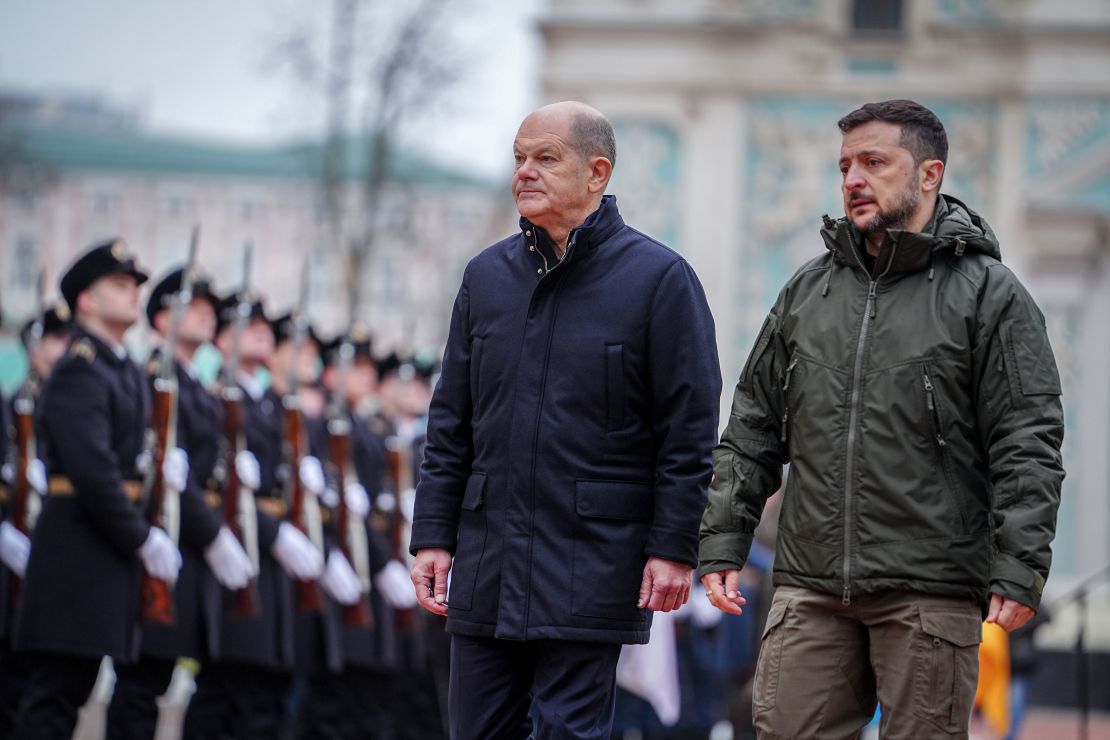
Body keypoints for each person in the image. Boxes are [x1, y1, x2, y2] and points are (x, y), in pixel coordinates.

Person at [698, 99, 1065, 739]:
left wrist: (1020, 563)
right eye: (844, 166)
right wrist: (723, 538)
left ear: (929, 175)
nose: (852, 180)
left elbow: (1027, 440)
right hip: (809, 584)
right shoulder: (806, 291)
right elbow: (753, 424)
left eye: (873, 162)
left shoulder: (990, 294)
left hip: (930, 588)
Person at [409, 100, 722, 739]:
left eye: (545, 158)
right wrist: (434, 535)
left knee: (567, 733)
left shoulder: (659, 280)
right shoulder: (486, 278)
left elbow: (688, 431)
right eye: (519, 158)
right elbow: (451, 424)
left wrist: (673, 546)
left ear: (597, 172)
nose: (525, 171)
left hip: (593, 560)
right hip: (486, 561)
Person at [11, 240, 184, 739]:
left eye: (135, 287)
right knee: (52, 700)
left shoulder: (119, 368)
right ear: (86, 300)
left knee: (72, 691)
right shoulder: (80, 370)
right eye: (120, 286)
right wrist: (141, 537)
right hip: (75, 557)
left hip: (99, 557)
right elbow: (93, 472)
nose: (134, 296)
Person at [106, 266, 254, 739]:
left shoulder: (197, 388)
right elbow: (165, 473)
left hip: (189, 545)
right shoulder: (155, 378)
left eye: (212, 310)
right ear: (161, 318)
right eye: (194, 307)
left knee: (164, 680)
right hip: (166, 540)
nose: (208, 316)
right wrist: (213, 535)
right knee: (141, 687)